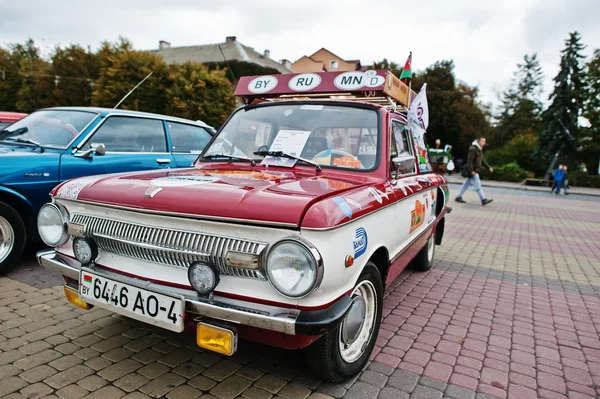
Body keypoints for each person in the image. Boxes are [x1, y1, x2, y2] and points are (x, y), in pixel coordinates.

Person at [455, 137, 494, 206]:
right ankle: (483, 199)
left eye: (484, 141)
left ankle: (458, 197)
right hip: (473, 171)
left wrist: (488, 167)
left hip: (475, 170)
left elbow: (482, 160)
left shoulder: (479, 149)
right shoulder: (473, 149)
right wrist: (471, 170)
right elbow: (469, 160)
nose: (484, 143)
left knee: (465, 185)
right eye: (483, 141)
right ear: (478, 141)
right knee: (478, 186)